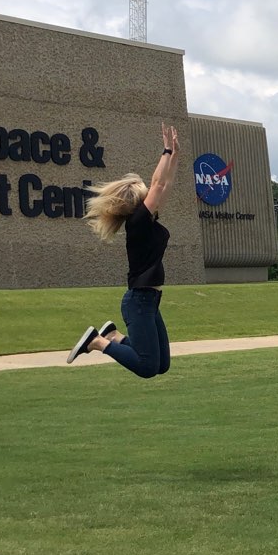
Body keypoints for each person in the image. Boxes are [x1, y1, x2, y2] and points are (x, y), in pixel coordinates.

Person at [66, 123, 179, 377]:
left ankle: (113, 336)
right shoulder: (138, 221)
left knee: (161, 365)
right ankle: (98, 342)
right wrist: (166, 151)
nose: (152, 192)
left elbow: (165, 185)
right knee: (147, 367)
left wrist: (176, 156)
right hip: (138, 301)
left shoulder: (144, 221)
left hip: (149, 301)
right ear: (138, 200)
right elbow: (159, 184)